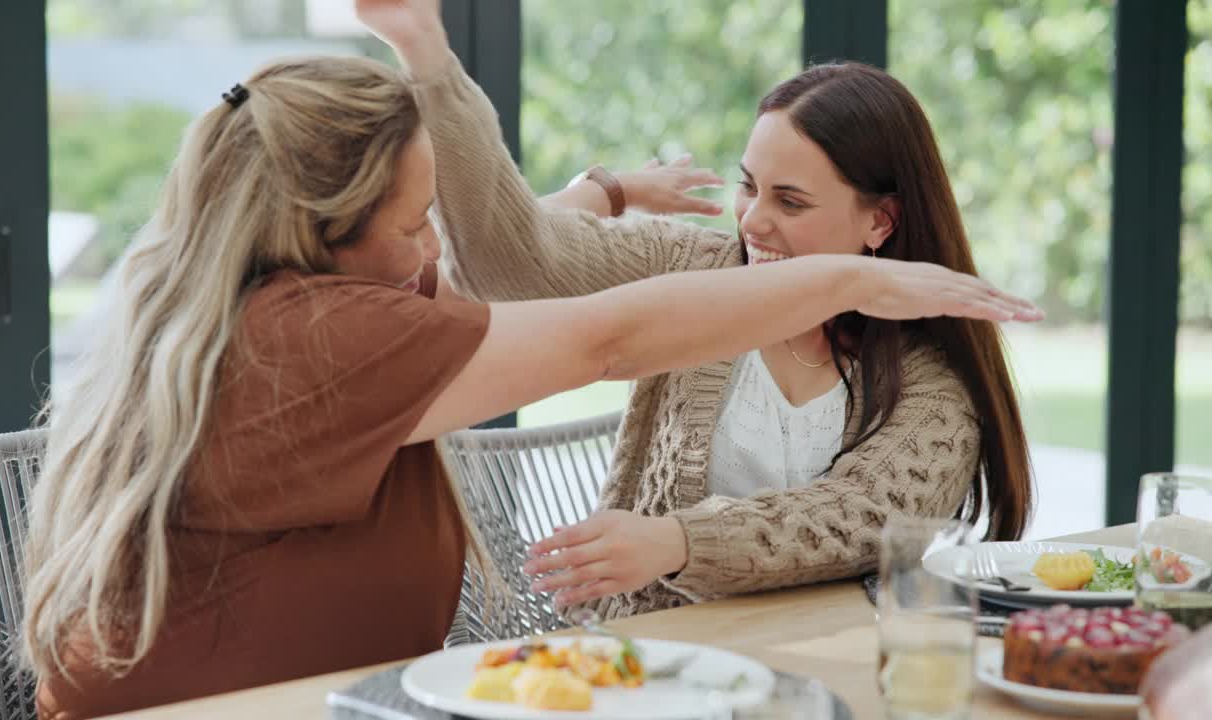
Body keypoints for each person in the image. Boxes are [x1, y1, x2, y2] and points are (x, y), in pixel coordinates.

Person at [19, 2, 1037, 716]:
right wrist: (848, 281)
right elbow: (590, 322)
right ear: (320, 230)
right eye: (418, 223)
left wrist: (598, 191)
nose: (434, 254)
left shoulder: (287, 310)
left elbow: (505, 269)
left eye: (791, 202)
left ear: (880, 218)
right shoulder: (319, 340)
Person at [364, 1, 1038, 617]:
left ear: (880, 222)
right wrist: (427, 55)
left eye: (791, 201)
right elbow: (509, 262)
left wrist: (679, 541)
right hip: (644, 664)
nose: (754, 222)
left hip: (830, 669)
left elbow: (859, 517)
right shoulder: (692, 269)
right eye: (749, 187)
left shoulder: (932, 379)